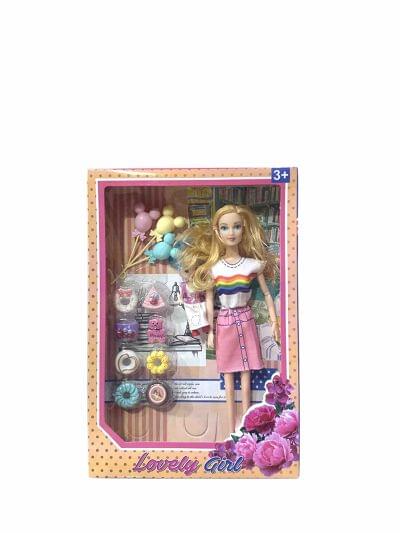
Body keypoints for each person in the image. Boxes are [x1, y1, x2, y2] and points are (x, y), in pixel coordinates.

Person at [180, 205, 280, 433]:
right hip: (224, 322)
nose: (231, 232)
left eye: (236, 226)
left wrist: (274, 322)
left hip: (246, 319)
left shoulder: (252, 265)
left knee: (246, 373)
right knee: (228, 375)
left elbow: (266, 294)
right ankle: (230, 429)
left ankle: (246, 425)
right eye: (225, 228)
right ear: (217, 232)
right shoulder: (214, 268)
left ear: (243, 229)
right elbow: (208, 299)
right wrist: (210, 331)